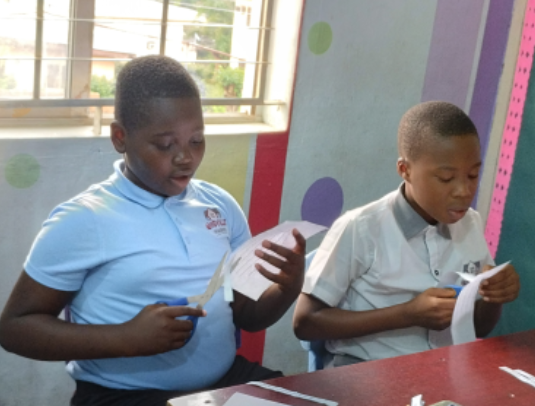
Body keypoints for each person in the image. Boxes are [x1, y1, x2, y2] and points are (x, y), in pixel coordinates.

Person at [0, 55, 305, 405]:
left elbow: (247, 316)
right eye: (165, 144)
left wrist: (287, 288)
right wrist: (125, 338)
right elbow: (15, 328)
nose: (185, 157)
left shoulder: (219, 205)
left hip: (221, 384)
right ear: (120, 137)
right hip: (124, 396)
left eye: (196, 140)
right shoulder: (84, 218)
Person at [293, 101, 520, 368]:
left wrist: (494, 298)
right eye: (446, 178)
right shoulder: (361, 228)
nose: (464, 191)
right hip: (367, 369)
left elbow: (478, 328)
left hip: (443, 368)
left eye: (472, 175)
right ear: (405, 170)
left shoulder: (470, 223)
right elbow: (305, 322)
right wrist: (407, 314)